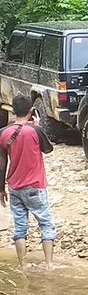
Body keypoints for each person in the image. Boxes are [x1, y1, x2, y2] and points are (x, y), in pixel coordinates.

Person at [0, 95, 56, 269]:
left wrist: (1, 189)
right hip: (35, 186)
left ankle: (22, 265)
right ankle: (48, 265)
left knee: (20, 226)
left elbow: (2, 164)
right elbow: (48, 149)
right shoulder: (35, 131)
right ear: (31, 111)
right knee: (46, 224)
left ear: (13, 111)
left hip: (14, 187)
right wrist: (38, 126)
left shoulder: (3, 133)